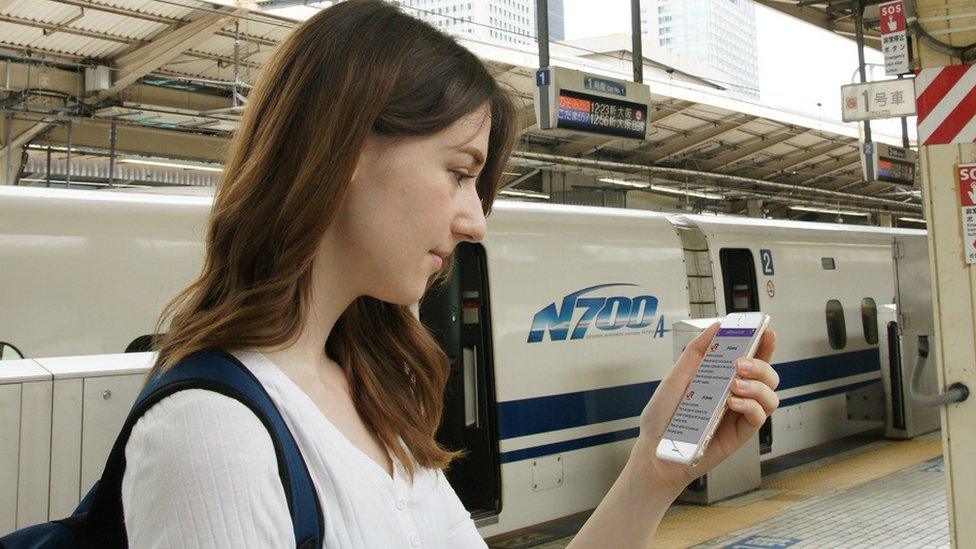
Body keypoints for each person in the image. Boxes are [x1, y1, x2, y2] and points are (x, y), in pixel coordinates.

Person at [125, 1, 780, 547]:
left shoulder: (374, 398)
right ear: (349, 148)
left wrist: (654, 467)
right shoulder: (214, 432)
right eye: (459, 172)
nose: (475, 222)